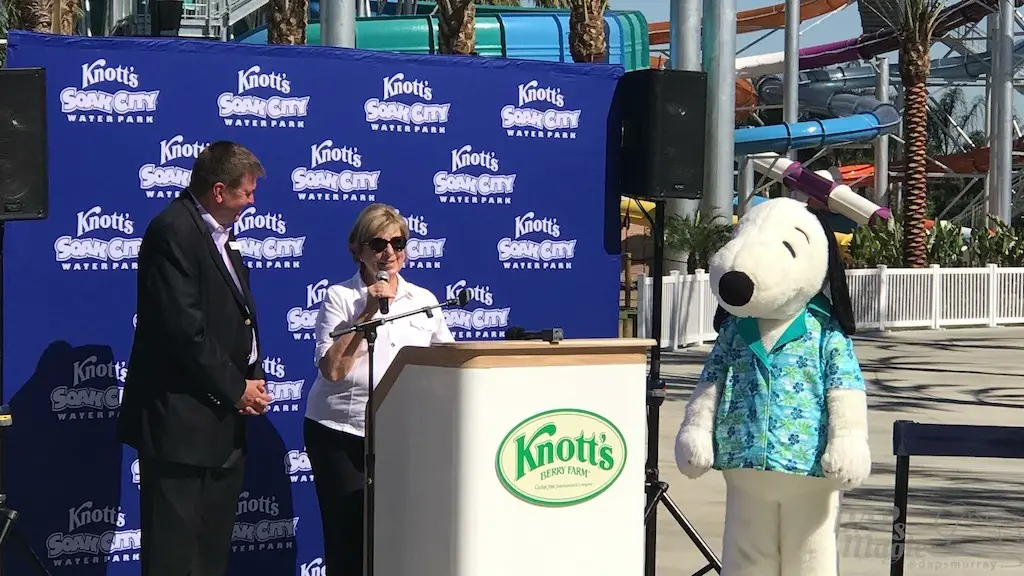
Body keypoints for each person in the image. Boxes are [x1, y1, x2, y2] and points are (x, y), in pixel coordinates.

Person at [117, 141, 274, 576]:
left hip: (222, 424)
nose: (252, 202)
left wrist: (252, 377)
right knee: (174, 557)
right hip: (180, 428)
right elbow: (184, 332)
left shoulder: (222, 235)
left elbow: (239, 318)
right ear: (219, 191)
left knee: (209, 555)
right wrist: (237, 387)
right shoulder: (173, 231)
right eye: (247, 193)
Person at [305, 203, 454, 574]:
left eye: (397, 243)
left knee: (397, 537)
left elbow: (447, 365)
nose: (389, 252)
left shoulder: (423, 301)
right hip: (341, 433)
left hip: (399, 436)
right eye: (378, 244)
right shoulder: (340, 297)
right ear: (358, 250)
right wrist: (367, 312)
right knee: (347, 540)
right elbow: (333, 370)